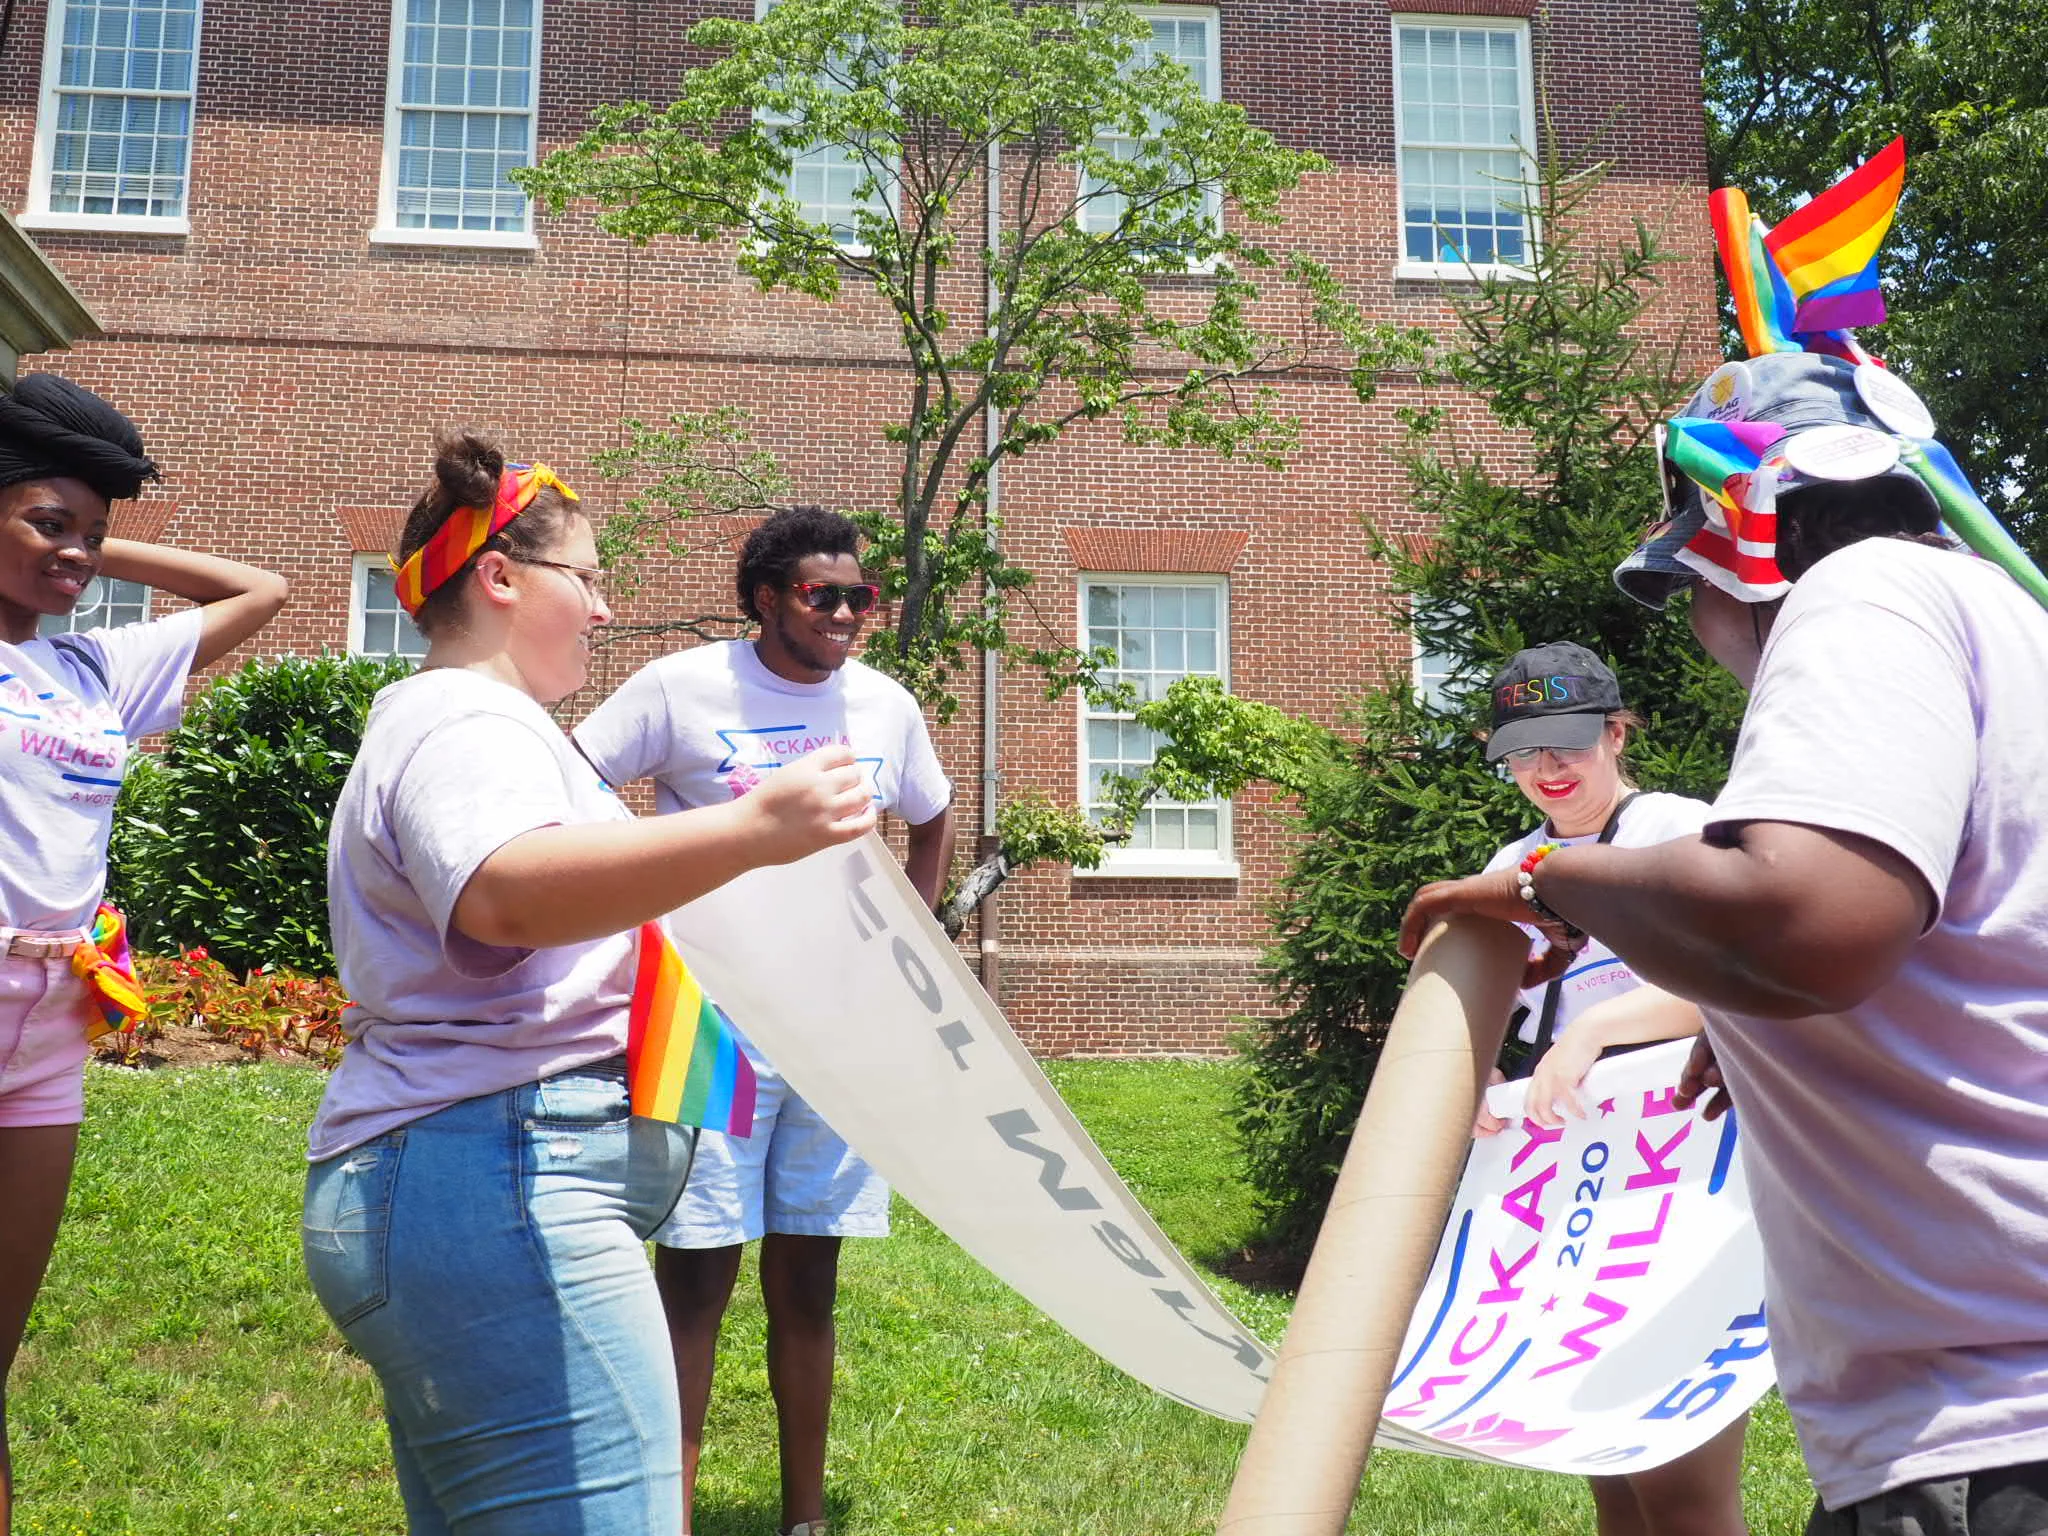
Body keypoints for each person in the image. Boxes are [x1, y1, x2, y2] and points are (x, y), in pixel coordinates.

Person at [1402, 348, 2048, 1534]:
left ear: (1737, 538)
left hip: (1993, 1431)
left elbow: (1805, 927)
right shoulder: (2002, 625)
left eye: (1688, 582)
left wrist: (1548, 880)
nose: (1704, 626)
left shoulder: (1859, 593)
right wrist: (1756, 1033)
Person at [302, 437, 877, 1534]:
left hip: (474, 1179)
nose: (606, 611)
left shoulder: (489, 723)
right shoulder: (465, 717)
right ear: (502, 577)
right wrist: (753, 828)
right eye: (590, 578)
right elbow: (507, 892)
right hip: (498, 1180)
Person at [576, 504, 955, 1536]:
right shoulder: (681, 687)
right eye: (820, 594)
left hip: (836, 1031)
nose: (844, 613)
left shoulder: (881, 706)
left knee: (809, 1278)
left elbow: (930, 814)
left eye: (858, 596)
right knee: (695, 1277)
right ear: (763, 599)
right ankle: (669, 1516)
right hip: (707, 1023)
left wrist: (910, 942)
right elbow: (575, 780)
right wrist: (636, 911)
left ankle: (804, 1520)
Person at [0, 373, 289, 1531]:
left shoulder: (94, 673)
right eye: (47, 523)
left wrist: (93, 555)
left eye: (93, 532)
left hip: (51, 1027)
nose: (73, 553)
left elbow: (259, 589)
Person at [1468, 642, 1746, 1536]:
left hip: (1683, 1167)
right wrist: (1472, 1076)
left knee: (1677, 1483)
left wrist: (1596, 1029)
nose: (1546, 770)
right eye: (1524, 751)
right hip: (1572, 1185)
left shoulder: (1676, 826)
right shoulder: (1510, 861)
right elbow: (1483, 1013)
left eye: (1568, 745)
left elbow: (1747, 975)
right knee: (1602, 1466)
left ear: (1617, 733)